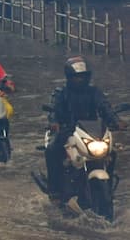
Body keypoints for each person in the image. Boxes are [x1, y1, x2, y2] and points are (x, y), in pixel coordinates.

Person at [45, 56, 127, 204]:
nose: (80, 80)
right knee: (51, 150)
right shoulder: (61, 93)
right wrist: (54, 122)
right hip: (68, 131)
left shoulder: (94, 92)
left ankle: (107, 187)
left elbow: (105, 107)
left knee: (111, 153)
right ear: (70, 77)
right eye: (77, 77)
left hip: (92, 132)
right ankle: (55, 191)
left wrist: (117, 121)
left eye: (83, 76)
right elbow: (54, 111)